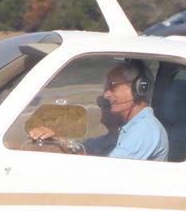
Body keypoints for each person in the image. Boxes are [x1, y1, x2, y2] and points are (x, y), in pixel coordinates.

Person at [29, 61, 168, 160]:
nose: (106, 95)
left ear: (140, 88)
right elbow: (84, 151)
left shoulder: (145, 129)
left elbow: (106, 171)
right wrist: (57, 140)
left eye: (113, 86)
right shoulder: (123, 132)